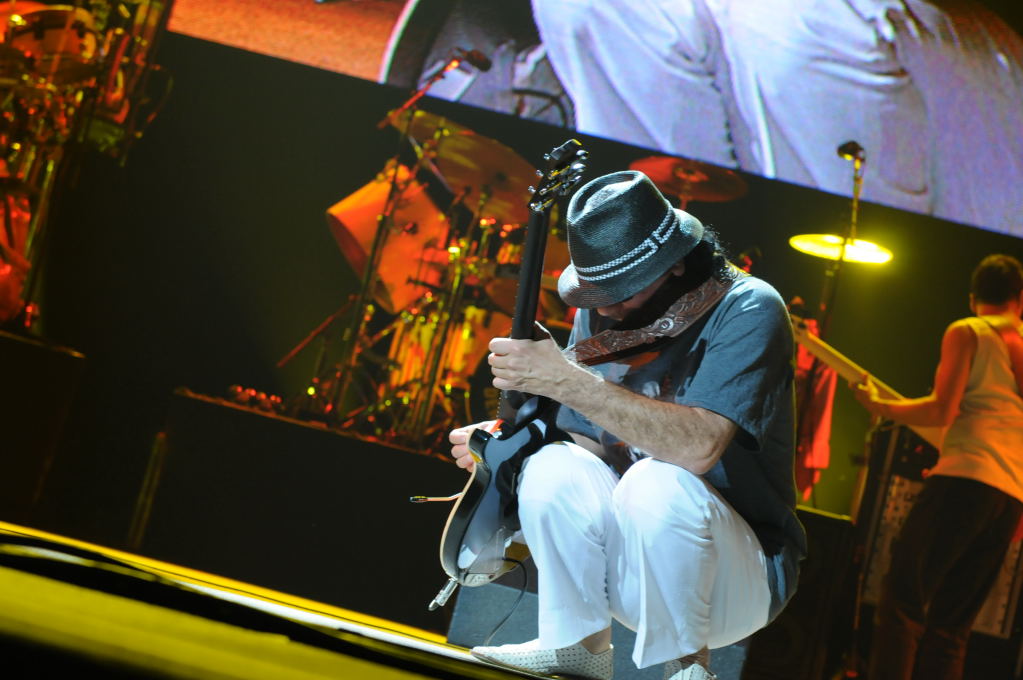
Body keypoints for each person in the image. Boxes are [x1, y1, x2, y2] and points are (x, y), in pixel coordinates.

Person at [448, 170, 806, 680]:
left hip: (734, 581)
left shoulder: (749, 307)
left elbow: (699, 448)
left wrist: (566, 381)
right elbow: (586, 444)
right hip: (631, 567)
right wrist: (508, 447)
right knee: (551, 464)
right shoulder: (603, 311)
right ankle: (577, 646)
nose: (606, 306)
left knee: (657, 480)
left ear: (675, 263)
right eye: (596, 292)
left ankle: (687, 670)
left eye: (620, 292)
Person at [851, 254, 1023, 680]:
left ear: (972, 298)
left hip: (966, 477)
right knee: (953, 624)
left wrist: (880, 405)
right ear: (1020, 300)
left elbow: (941, 409)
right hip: (1009, 498)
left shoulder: (969, 331)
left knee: (903, 600)